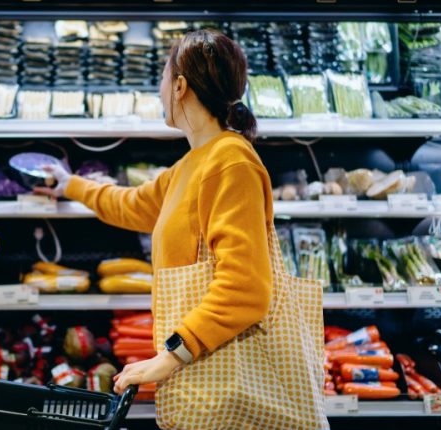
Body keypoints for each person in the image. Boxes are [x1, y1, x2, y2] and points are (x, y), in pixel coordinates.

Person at [37, 30, 327, 429]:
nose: (158, 90)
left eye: (162, 77)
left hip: (231, 389)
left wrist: (169, 356)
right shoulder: (192, 165)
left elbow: (246, 289)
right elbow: (129, 205)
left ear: (179, 86)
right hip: (208, 379)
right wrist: (69, 183)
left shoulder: (231, 163)